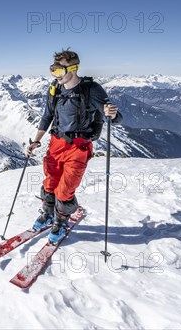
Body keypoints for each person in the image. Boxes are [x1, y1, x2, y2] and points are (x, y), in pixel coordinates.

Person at [26, 49, 122, 244]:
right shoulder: (55, 89)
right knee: (50, 182)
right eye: (53, 70)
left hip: (78, 147)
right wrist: (36, 141)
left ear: (73, 68)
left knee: (65, 188)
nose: (56, 76)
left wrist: (111, 113)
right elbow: (47, 116)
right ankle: (49, 213)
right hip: (55, 144)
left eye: (59, 71)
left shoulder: (91, 89)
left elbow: (114, 117)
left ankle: (61, 221)